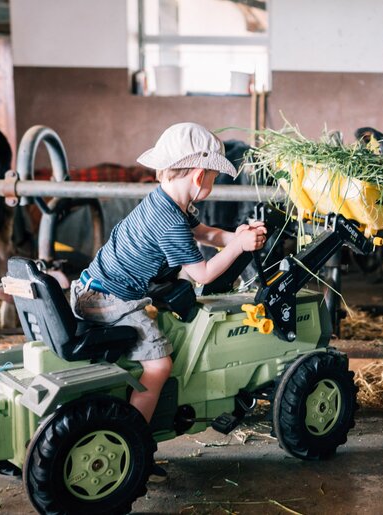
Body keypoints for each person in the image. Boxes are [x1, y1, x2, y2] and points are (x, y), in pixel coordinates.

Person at [70, 122, 266, 480]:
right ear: (198, 176)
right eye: (213, 178)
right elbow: (202, 274)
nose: (213, 184)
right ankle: (137, 446)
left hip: (96, 286)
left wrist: (235, 236)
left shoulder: (167, 203)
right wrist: (237, 246)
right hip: (107, 299)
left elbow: (204, 234)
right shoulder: (168, 219)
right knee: (159, 365)